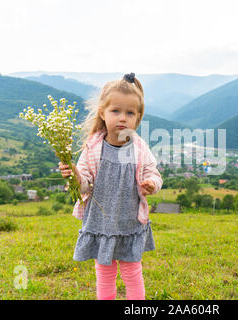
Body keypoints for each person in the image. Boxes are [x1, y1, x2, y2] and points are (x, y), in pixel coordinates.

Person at [59, 72, 163, 300]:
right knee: (104, 275)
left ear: (138, 117)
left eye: (129, 113)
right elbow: (84, 186)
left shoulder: (139, 147)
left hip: (129, 224)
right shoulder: (93, 147)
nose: (122, 118)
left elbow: (154, 173)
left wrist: (151, 184)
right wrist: (74, 175)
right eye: (116, 111)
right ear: (102, 113)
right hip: (101, 224)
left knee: (132, 273)